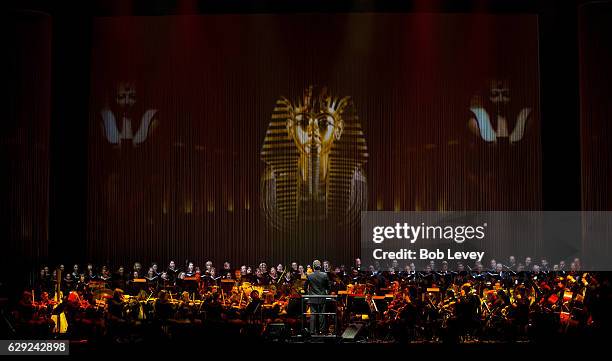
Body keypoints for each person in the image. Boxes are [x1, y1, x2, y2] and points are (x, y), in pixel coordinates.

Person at [304, 260, 330, 335]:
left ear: (313, 266)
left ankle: (312, 331)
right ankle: (322, 331)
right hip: (322, 297)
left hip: (312, 298)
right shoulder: (324, 275)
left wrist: (307, 293)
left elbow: (305, 287)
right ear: (320, 266)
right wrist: (326, 292)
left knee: (313, 314)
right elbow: (328, 286)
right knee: (322, 314)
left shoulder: (309, 275)